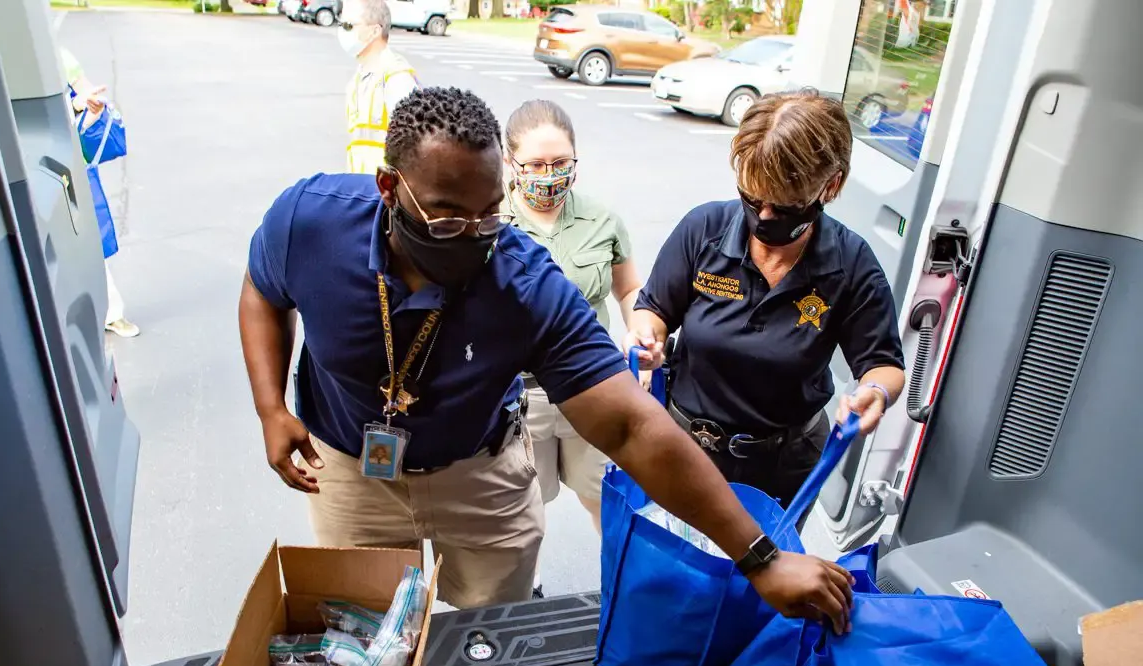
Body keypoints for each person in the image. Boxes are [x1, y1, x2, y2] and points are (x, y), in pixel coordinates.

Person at [240, 87, 855, 632]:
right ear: (389, 188)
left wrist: (760, 558)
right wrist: (271, 408)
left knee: (493, 629)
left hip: (478, 470)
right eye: (447, 219)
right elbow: (262, 292)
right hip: (351, 471)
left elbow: (631, 425)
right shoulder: (310, 221)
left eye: (489, 214)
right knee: (367, 629)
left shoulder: (526, 285)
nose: (475, 237)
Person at [627, 90, 906, 526]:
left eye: (784, 204)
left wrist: (876, 392)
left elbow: (884, 365)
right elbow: (653, 310)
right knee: (671, 560)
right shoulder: (704, 230)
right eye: (753, 199)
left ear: (831, 185)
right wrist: (647, 337)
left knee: (762, 566)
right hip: (683, 447)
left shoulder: (850, 264)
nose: (764, 215)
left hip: (782, 466)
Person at [505, 100, 643, 550]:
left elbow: (628, 289)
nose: (549, 175)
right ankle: (527, 582)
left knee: (604, 496)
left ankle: (617, 577)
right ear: (510, 162)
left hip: (593, 386)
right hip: (520, 396)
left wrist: (639, 329)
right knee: (523, 504)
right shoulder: (491, 224)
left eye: (560, 162)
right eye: (536, 164)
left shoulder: (601, 220)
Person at [61, 47, 139, 338]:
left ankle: (111, 312)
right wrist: (74, 105)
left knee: (91, 239)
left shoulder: (59, 56)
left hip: (71, 165)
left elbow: (86, 95)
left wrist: (90, 108)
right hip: (30, 164)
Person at [339, 0, 418, 174]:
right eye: (341, 24)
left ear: (375, 31)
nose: (342, 31)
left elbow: (414, 145)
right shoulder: (358, 78)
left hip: (387, 187)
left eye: (348, 25)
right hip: (364, 186)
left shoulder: (396, 77)